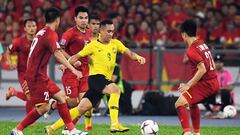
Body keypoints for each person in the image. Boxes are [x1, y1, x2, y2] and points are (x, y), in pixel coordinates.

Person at [45, 19, 146, 133]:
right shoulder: (93, 45)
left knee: (81, 108)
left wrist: (138, 57)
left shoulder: (116, 43)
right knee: (115, 90)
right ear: (101, 31)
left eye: (112, 31)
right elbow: (76, 57)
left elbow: (130, 53)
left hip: (100, 81)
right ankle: (115, 124)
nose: (110, 34)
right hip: (96, 78)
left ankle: (52, 128)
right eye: (108, 31)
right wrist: (66, 65)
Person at [11, 7, 84, 135]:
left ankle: (71, 130)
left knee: (61, 98)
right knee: (44, 107)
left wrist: (70, 60)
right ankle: (17, 129)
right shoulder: (50, 33)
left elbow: (57, 51)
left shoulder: (41, 32)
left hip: (39, 75)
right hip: (36, 77)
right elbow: (57, 53)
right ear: (58, 20)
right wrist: (73, 69)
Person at [44, 6, 92, 132]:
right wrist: (70, 60)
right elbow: (60, 49)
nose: (84, 20)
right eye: (81, 18)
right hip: (71, 73)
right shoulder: (69, 33)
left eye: (86, 18)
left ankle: (68, 128)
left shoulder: (89, 32)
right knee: (72, 103)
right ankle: (55, 104)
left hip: (85, 72)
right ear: (75, 19)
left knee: (84, 105)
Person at [175, 20, 219, 135]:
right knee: (192, 103)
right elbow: (212, 64)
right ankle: (196, 133)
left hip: (207, 84)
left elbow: (202, 69)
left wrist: (188, 85)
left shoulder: (191, 50)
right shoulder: (202, 44)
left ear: (184, 34)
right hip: (213, 81)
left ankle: (187, 133)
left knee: (179, 103)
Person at [5, 19, 37, 116]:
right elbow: (8, 52)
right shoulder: (19, 41)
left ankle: (13, 92)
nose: (32, 28)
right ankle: (30, 121)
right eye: (29, 26)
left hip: (35, 74)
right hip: (23, 74)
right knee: (30, 97)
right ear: (25, 29)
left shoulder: (39, 41)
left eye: (33, 26)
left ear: (36, 28)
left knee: (35, 97)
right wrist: (10, 63)